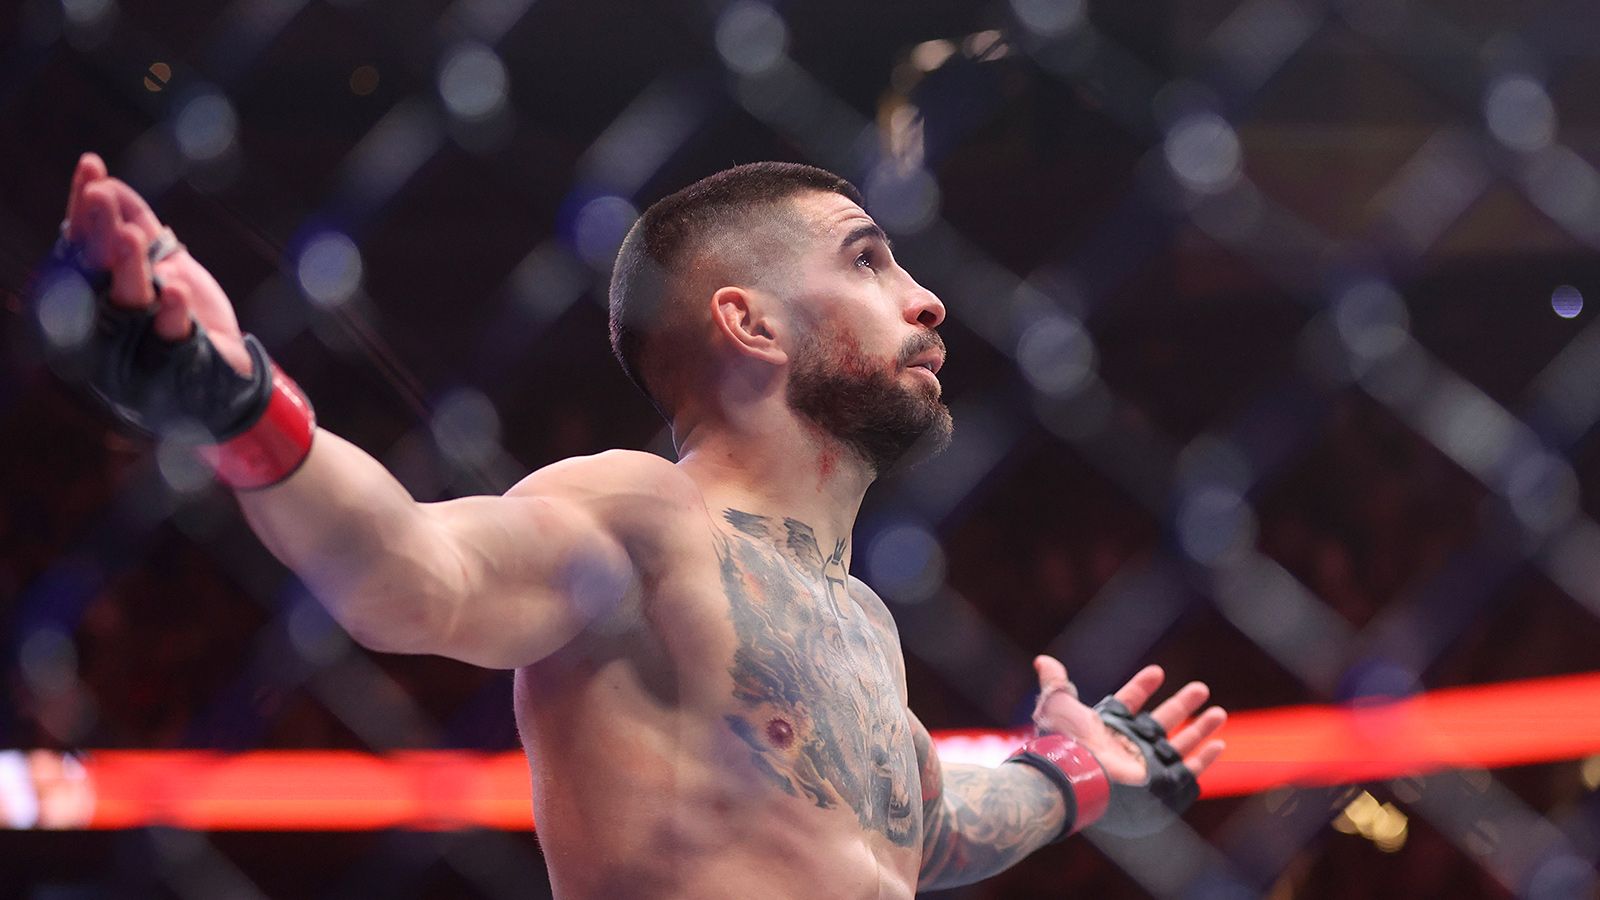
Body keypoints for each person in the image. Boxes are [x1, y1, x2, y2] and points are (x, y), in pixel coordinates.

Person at [49, 153, 1226, 897]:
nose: (926, 299)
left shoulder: (862, 621)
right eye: (868, 261)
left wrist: (1081, 771)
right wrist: (243, 407)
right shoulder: (641, 516)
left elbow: (920, 831)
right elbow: (415, 575)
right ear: (751, 324)